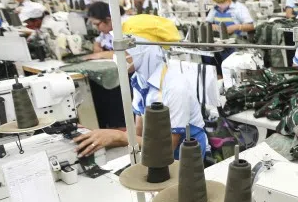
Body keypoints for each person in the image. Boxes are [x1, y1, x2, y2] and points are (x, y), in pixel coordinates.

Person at [74, 15, 208, 159]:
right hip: (156, 149)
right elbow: (139, 133)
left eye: (124, 50)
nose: (117, 56)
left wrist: (118, 136)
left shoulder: (175, 87)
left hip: (185, 157)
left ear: (145, 49)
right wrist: (97, 136)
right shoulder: (140, 79)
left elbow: (169, 146)